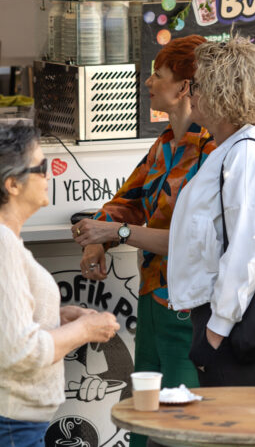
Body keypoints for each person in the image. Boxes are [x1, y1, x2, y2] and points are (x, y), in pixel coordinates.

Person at [71, 35, 214, 447]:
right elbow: (127, 202)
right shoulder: (164, 144)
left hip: (190, 305)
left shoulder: (213, 149)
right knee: (145, 417)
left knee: (183, 422)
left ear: (184, 87)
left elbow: (195, 241)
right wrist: (97, 240)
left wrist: (113, 233)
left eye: (158, 74)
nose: (148, 82)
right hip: (152, 298)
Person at [0, 122, 120, 447]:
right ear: (12, 184)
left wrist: (56, 315)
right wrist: (85, 330)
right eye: (41, 168)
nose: (49, 175)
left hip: (1, 416)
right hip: (6, 420)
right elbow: (20, 352)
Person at [167, 37, 255, 387]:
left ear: (219, 93)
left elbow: (250, 247)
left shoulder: (246, 153)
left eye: (195, 85)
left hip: (234, 327)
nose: (189, 94)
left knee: (236, 420)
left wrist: (216, 331)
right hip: (229, 321)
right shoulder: (235, 149)